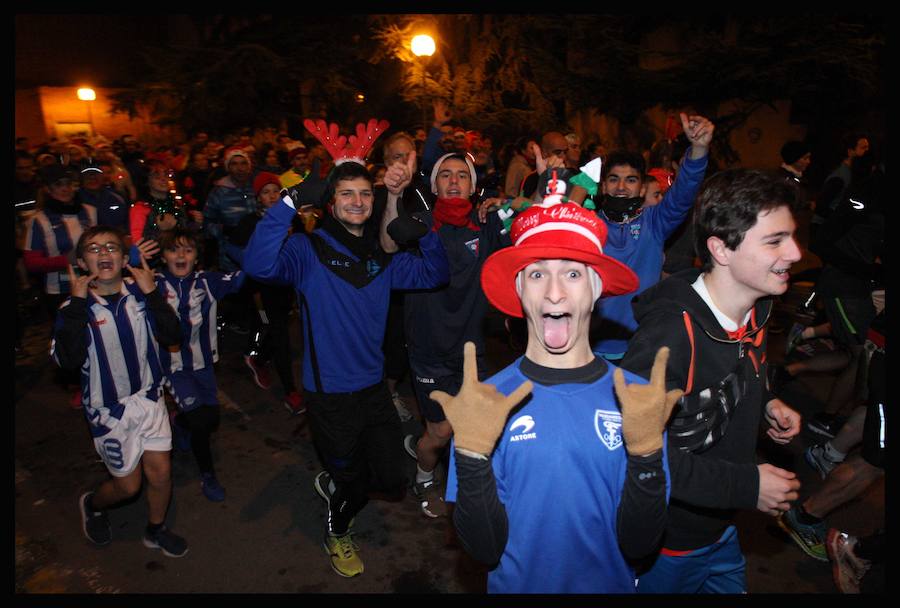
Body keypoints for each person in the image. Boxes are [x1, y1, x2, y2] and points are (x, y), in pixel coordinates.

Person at [442, 194, 679, 593]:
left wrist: (646, 455)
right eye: (536, 274)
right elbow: (483, 551)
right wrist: (470, 454)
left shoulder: (638, 401)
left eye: (572, 273)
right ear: (519, 290)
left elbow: (640, 545)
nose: (554, 293)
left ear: (596, 288)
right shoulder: (481, 404)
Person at [243, 127, 450, 578]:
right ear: (330, 202)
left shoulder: (380, 256)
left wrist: (423, 230)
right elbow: (257, 265)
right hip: (330, 395)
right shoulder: (307, 249)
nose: (357, 201)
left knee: (394, 479)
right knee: (354, 483)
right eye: (346, 194)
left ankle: (340, 482)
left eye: (363, 194)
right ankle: (338, 528)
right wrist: (290, 203)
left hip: (374, 389)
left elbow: (434, 274)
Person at [619, 168, 804, 593]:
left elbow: (736, 364)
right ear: (721, 249)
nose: (795, 253)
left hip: (721, 529)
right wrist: (748, 484)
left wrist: (766, 401)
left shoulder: (758, 306)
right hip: (670, 545)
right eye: (775, 240)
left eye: (791, 236)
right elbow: (633, 454)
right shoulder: (667, 338)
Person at [50, 225, 188, 557]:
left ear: (125, 258)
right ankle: (93, 504)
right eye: (94, 250)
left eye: (111, 247)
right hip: (109, 412)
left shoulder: (142, 293)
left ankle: (156, 529)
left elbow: (172, 336)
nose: (103, 254)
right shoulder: (73, 308)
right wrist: (78, 305)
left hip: (150, 399)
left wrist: (153, 293)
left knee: (161, 471)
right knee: (128, 487)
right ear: (83, 263)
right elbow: (66, 362)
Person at [400, 152, 511, 518]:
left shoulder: (487, 224)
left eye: (461, 176)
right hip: (428, 349)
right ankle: (423, 473)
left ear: (474, 185)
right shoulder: (418, 224)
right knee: (442, 432)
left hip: (471, 350)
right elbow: (385, 244)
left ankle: (462, 488)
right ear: (433, 186)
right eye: (444, 175)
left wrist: (512, 202)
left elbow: (536, 221)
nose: (452, 181)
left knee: (472, 430)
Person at [567, 113, 714, 361]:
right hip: (588, 348)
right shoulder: (588, 225)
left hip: (642, 347)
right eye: (614, 180)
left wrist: (698, 148)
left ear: (642, 188)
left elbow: (683, 194)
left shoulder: (654, 223)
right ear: (603, 187)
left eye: (631, 180)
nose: (621, 187)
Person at [153, 227, 247, 502]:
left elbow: (248, 274)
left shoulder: (208, 281)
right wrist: (133, 256)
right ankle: (208, 476)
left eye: (188, 249)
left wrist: (233, 247)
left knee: (210, 419)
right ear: (162, 256)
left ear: (197, 257)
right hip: (171, 366)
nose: (181, 255)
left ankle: (179, 423)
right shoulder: (153, 284)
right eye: (173, 249)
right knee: (201, 422)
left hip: (204, 364)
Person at [228, 171, 306, 414]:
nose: (272, 196)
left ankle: (258, 359)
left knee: (279, 327)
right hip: (263, 287)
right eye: (266, 192)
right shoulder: (250, 222)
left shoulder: (292, 218)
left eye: (275, 191)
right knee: (281, 333)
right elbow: (232, 248)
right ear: (258, 197)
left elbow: (305, 245)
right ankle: (291, 392)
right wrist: (255, 261)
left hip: (289, 284)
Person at [77, 162, 129, 235]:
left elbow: (127, 222)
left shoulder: (117, 197)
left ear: (102, 177)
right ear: (81, 178)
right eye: (87, 175)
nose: (92, 178)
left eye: (96, 175)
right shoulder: (75, 199)